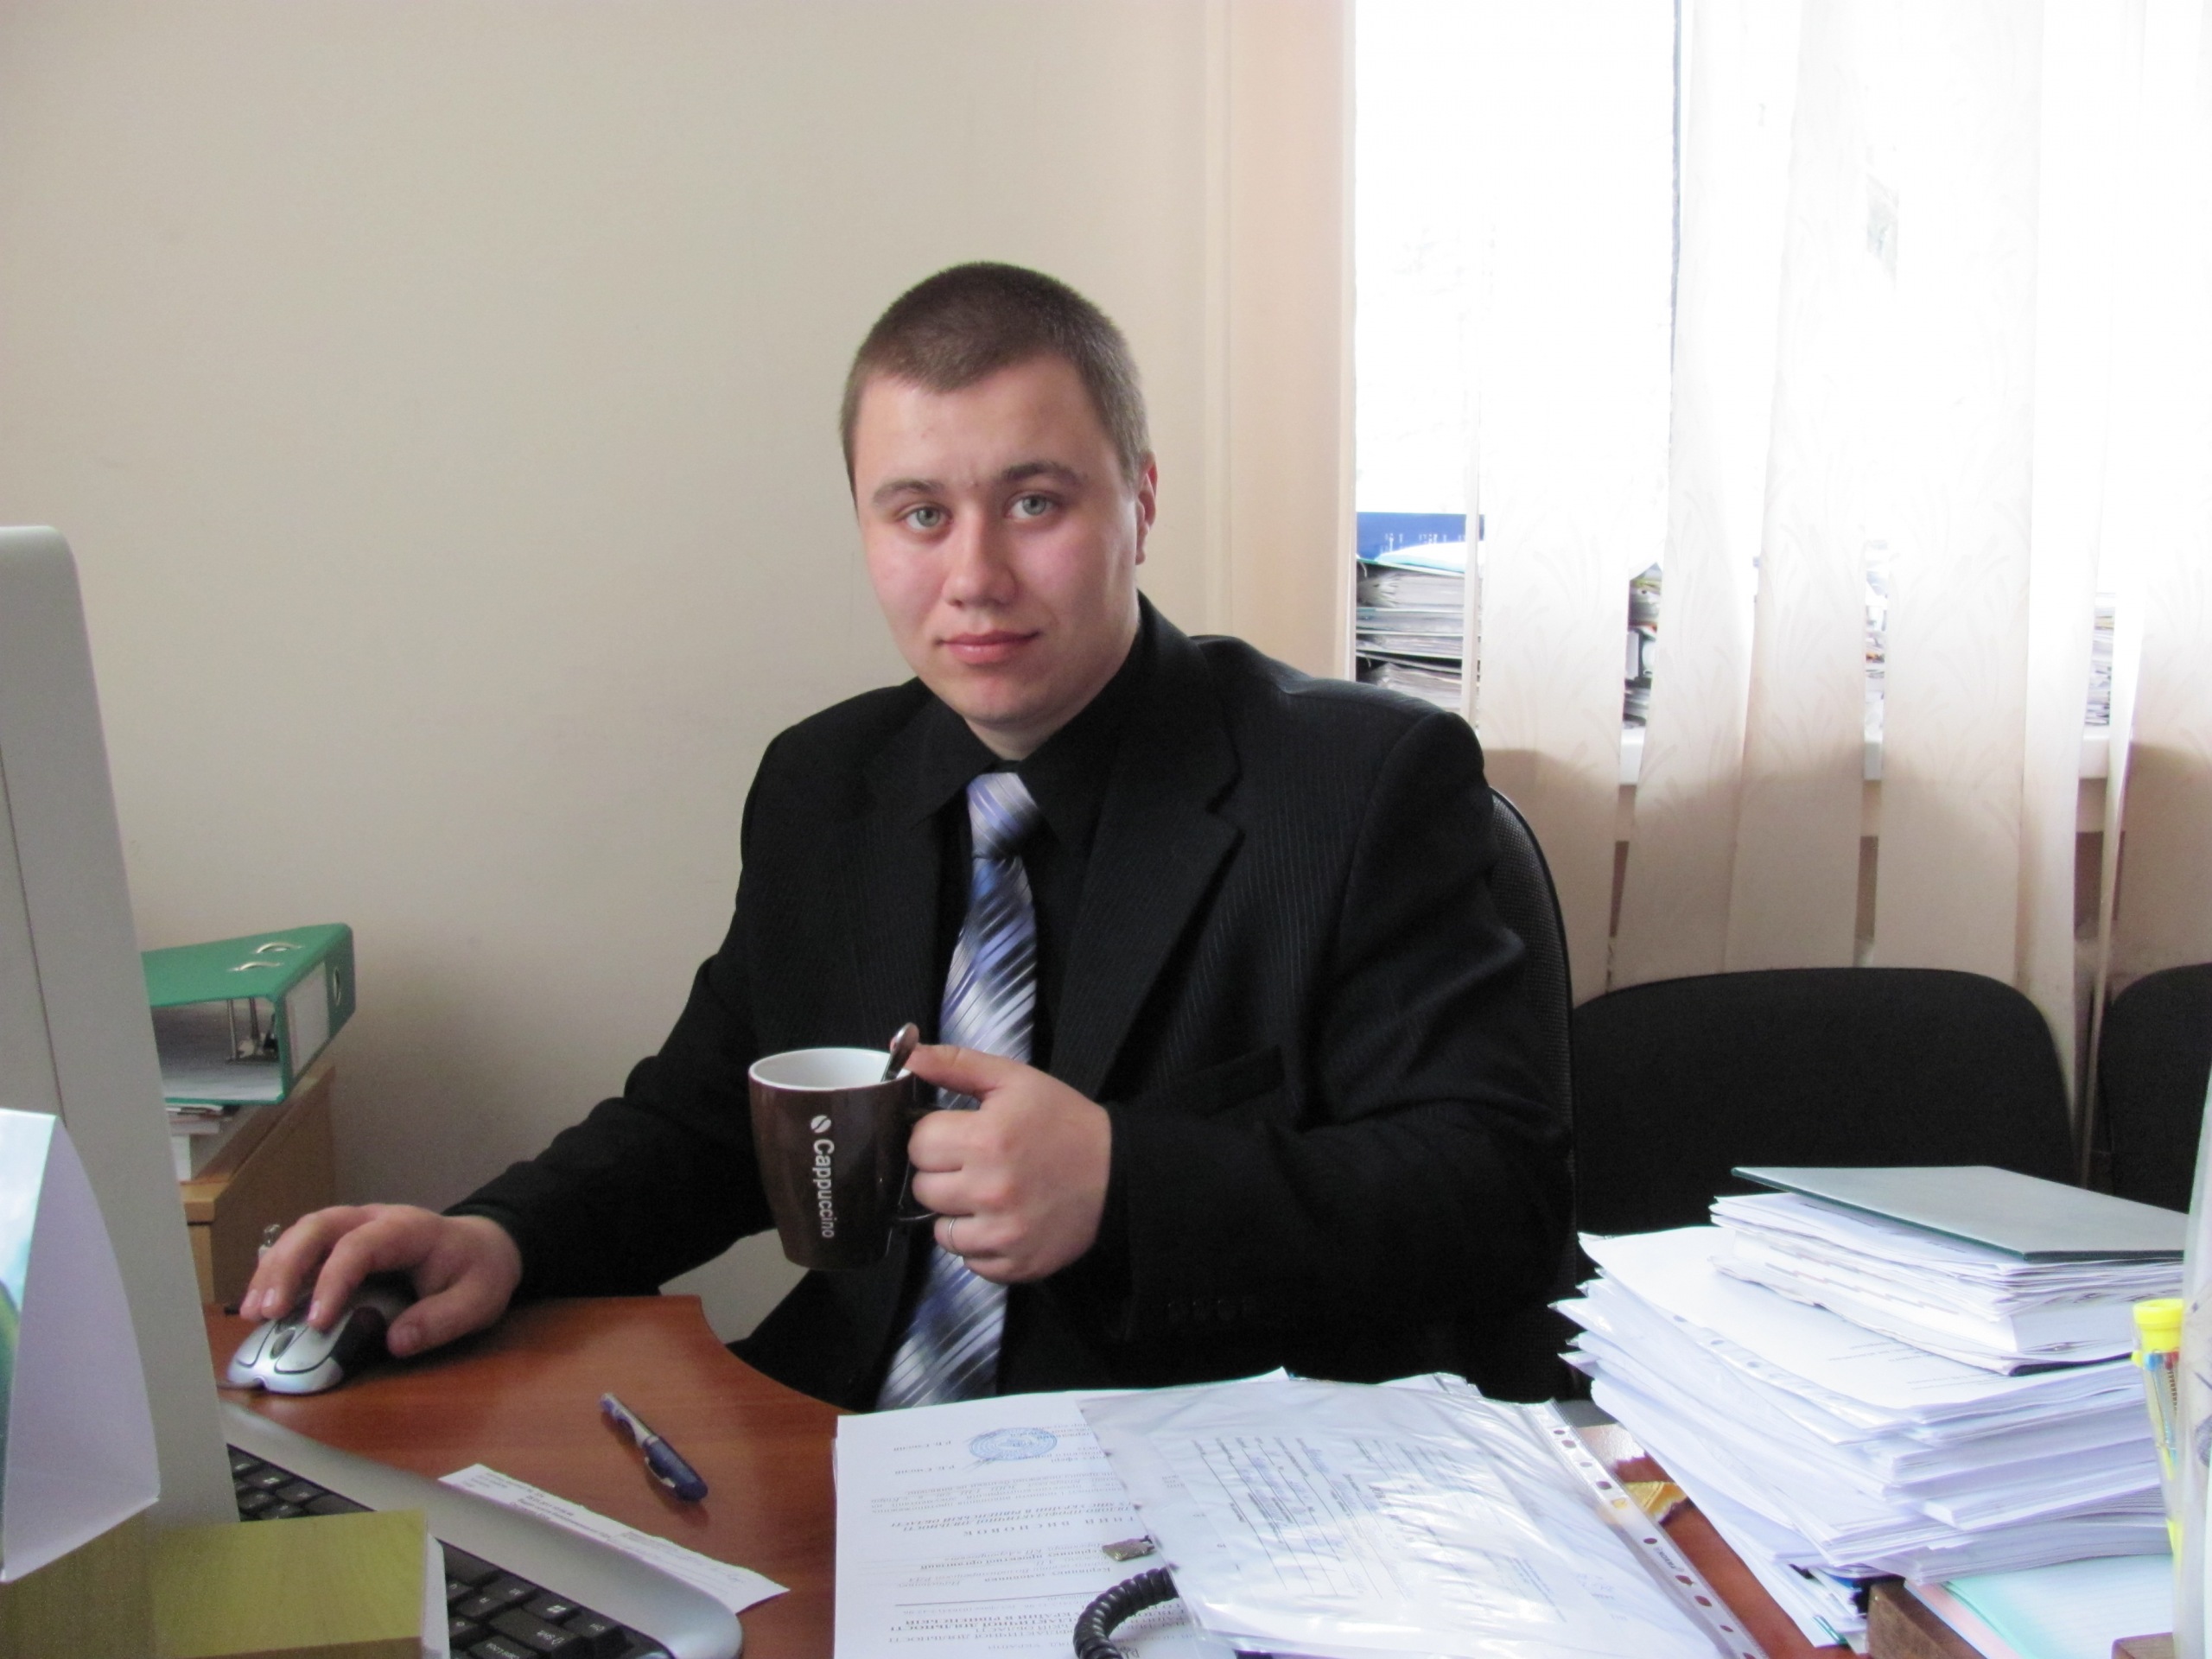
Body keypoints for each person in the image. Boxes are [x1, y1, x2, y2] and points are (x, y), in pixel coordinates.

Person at [245, 263, 1570, 1408]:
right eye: (921, 513)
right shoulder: (826, 784)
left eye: (1036, 503)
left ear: (1142, 502)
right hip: (841, 1444)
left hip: (1188, 1486)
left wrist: (1128, 1185)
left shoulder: (1357, 785)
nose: (974, 577)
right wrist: (503, 1238)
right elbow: (714, 1123)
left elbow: (1496, 1198)